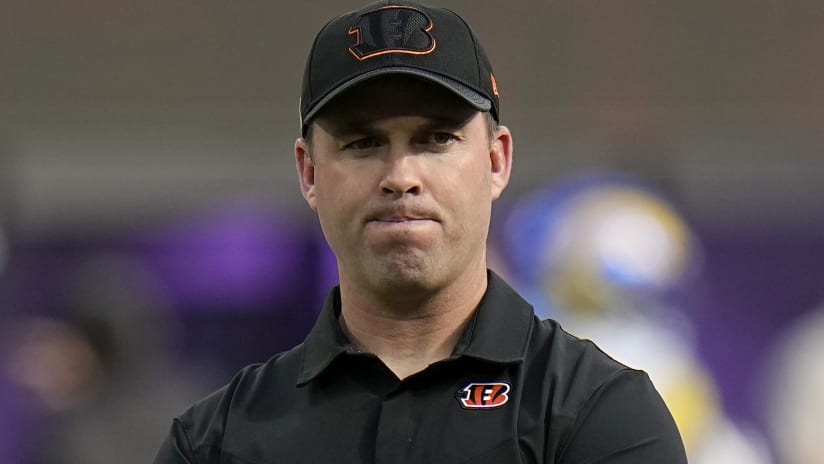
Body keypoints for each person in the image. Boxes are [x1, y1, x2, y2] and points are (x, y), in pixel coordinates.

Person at [153, 1, 687, 462]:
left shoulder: (600, 414)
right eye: (362, 143)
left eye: (436, 139)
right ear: (309, 173)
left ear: (497, 161)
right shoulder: (215, 442)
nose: (401, 177)